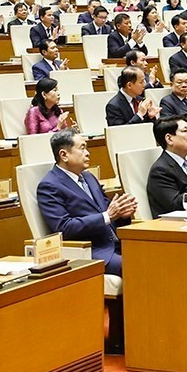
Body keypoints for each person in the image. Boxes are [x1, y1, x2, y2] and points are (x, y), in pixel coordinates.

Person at [39, 130, 132, 352]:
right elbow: (63, 228)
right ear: (64, 154)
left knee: (159, 254)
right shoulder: (49, 186)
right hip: (89, 251)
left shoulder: (88, 177)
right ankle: (125, 337)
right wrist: (108, 216)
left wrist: (124, 212)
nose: (88, 153)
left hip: (115, 242)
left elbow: (110, 211)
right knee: (138, 264)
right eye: (82, 148)